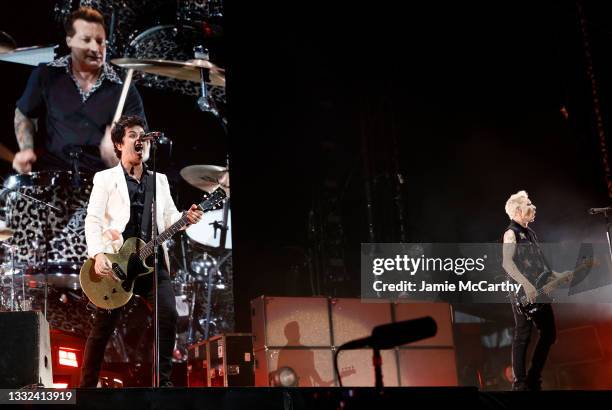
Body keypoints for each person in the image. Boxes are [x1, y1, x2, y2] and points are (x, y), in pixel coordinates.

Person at [80, 115, 203, 387]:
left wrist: (186, 217)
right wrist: (98, 253)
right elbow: (93, 219)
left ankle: (164, 383)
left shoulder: (158, 180)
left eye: (143, 135)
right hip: (118, 263)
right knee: (102, 328)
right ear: (119, 144)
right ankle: (86, 388)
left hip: (151, 260)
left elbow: (170, 217)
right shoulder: (105, 178)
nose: (140, 140)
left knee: (168, 314)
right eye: (133, 135)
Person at [13, 7, 146, 174]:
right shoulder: (46, 74)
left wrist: (123, 153)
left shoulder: (123, 87)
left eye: (100, 41)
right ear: (69, 41)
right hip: (52, 173)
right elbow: (24, 114)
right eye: (86, 39)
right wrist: (26, 148)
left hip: (102, 179)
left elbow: (142, 143)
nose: (95, 48)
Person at [502, 190, 557, 391]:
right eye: (528, 204)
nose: (533, 207)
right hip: (522, 290)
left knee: (549, 334)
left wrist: (554, 276)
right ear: (517, 210)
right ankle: (520, 382)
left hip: (540, 289)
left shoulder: (531, 233)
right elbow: (507, 263)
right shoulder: (511, 233)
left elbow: (539, 262)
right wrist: (525, 284)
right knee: (523, 334)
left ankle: (533, 377)